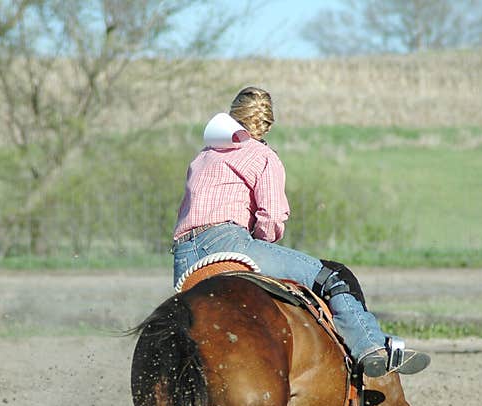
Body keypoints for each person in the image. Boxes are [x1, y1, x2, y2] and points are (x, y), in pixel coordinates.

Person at [172, 86, 429, 381]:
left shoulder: (202, 157)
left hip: (184, 258)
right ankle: (370, 346)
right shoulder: (262, 156)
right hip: (230, 244)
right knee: (330, 277)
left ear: (233, 114)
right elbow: (271, 219)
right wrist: (262, 238)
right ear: (267, 123)